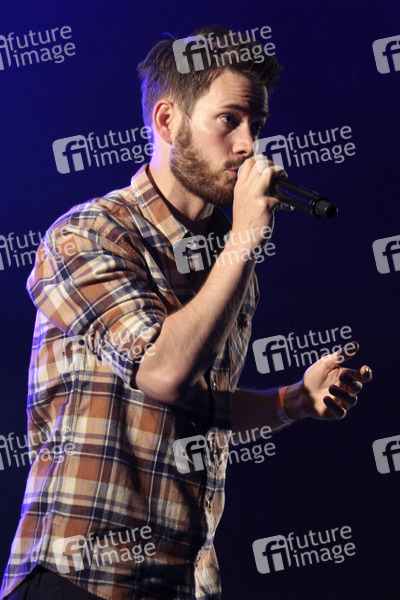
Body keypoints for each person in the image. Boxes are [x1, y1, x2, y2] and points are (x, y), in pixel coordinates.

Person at [0, 26, 372, 600]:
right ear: (168, 120)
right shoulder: (90, 233)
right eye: (229, 120)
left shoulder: (227, 261)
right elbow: (164, 372)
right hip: (83, 578)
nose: (248, 145)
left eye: (257, 125)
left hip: (181, 582)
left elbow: (196, 405)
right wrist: (244, 240)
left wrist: (293, 400)